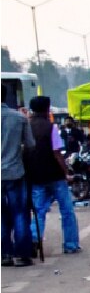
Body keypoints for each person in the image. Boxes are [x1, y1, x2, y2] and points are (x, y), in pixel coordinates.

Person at [24, 96, 81, 255]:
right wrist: (66, 171)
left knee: (39, 210)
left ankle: (35, 239)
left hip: (36, 175)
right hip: (55, 176)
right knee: (67, 210)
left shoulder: (27, 126)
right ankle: (70, 244)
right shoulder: (51, 128)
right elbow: (57, 152)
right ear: (47, 109)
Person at [2, 99, 35, 266]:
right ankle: (22, 255)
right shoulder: (19, 118)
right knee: (19, 213)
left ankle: (4, 254)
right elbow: (30, 144)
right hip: (15, 172)